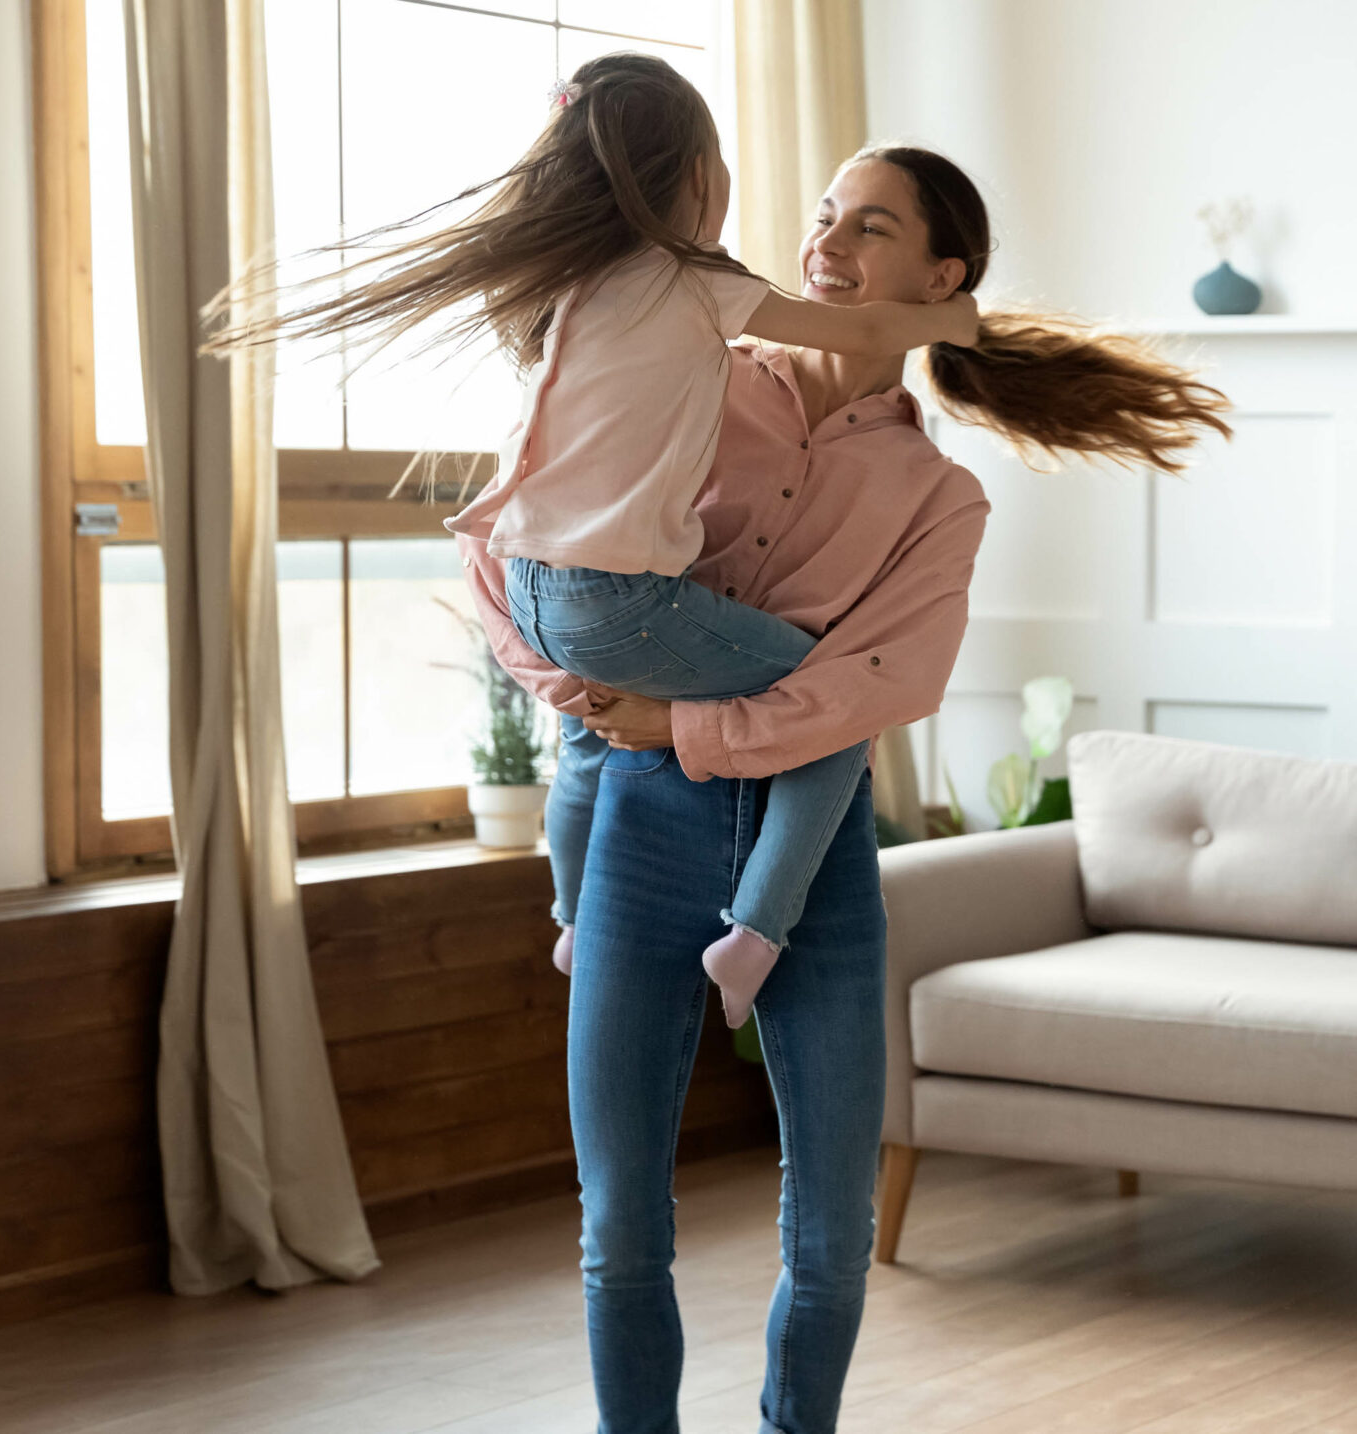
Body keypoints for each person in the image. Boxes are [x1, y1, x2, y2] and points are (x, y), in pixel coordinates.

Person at [218, 52, 977, 1027]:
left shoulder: (577, 285)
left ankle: (572, 914)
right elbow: (862, 334)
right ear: (698, 177)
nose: (822, 237)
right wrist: (957, 317)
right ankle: (754, 935)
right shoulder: (703, 284)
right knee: (828, 717)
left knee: (583, 739)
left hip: (534, 584)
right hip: (618, 598)